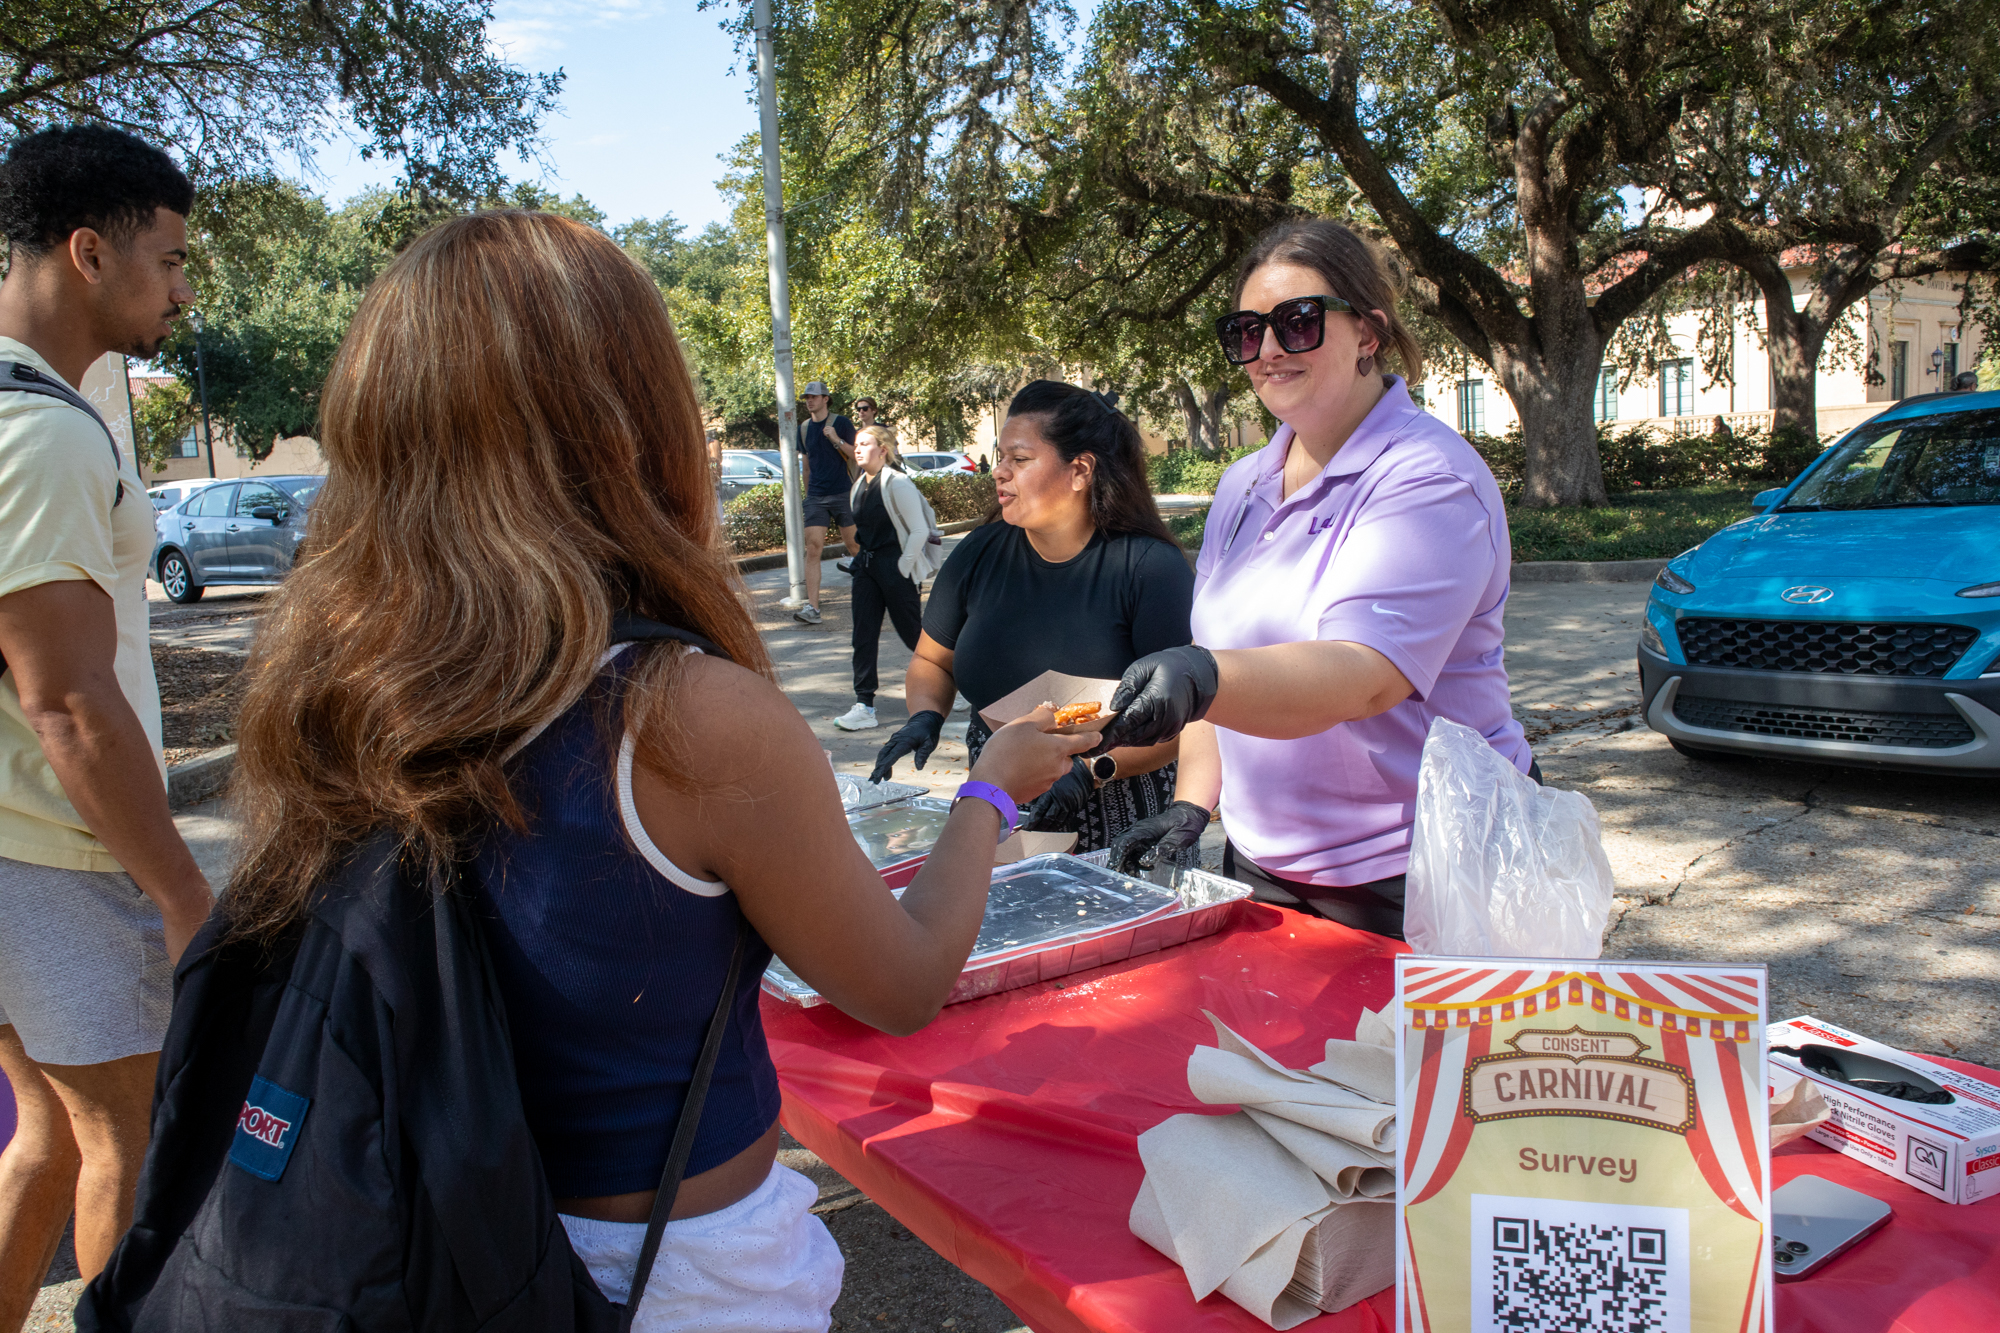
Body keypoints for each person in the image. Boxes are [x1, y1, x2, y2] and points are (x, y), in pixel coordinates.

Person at [218, 210, 1093, 1330]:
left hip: (423, 1230)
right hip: (661, 1271)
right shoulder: (683, 713)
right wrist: (986, 791)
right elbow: (899, 983)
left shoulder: (332, 677)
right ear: (625, 418)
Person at [1093, 220, 1534, 939]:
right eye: (1245, 331)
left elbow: (1361, 675)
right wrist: (1193, 803)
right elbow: (1221, 665)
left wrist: (1202, 676)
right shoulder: (1242, 485)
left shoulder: (1429, 478)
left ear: (1369, 333)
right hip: (1265, 867)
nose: (1267, 350)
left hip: (1422, 870)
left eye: (1296, 322)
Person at [0, 126, 210, 1327]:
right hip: (59, 853)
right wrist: (183, 896)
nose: (181, 288)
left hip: (15, 849)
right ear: (90, 251)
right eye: (171, 260)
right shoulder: (42, 433)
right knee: (120, 1133)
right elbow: (69, 700)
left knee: (52, 1129)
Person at [870, 381, 1197, 860]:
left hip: (1121, 808)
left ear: (1080, 470)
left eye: (1019, 460)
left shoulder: (1149, 568)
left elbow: (1183, 724)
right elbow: (931, 661)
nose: (998, 473)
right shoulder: (978, 553)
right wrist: (925, 713)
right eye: (1000, 457)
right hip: (1000, 804)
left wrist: (1089, 772)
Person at [834, 426, 943, 732]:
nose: (858, 449)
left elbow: (919, 529)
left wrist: (903, 567)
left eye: (865, 444)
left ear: (882, 450)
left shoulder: (898, 483)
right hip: (866, 568)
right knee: (863, 636)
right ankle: (864, 705)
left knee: (914, 635)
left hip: (894, 569)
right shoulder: (859, 485)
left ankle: (955, 680)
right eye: (856, 444)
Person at [794, 380, 856, 625]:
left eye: (814, 397)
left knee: (854, 547)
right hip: (816, 497)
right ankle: (813, 608)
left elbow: (855, 455)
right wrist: (809, 496)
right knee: (813, 549)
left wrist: (836, 438)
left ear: (825, 399)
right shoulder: (804, 428)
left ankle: (876, 597)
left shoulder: (841, 423)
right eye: (807, 397)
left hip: (842, 492)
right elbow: (806, 466)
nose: (809, 401)